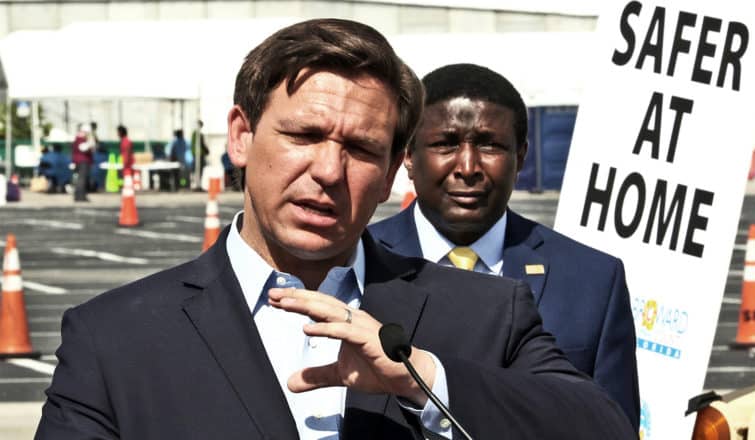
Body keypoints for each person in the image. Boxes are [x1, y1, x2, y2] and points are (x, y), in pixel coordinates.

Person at [36, 20, 635, 439]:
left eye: (361, 148)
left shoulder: (487, 312)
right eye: (304, 136)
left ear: (393, 170)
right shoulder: (113, 339)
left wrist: (425, 380)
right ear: (242, 136)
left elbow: (603, 426)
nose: (327, 170)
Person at [368, 63, 640, 429]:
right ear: (408, 157)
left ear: (521, 157)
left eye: (490, 145)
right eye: (445, 144)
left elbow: (613, 427)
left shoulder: (593, 280)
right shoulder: (354, 263)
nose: (468, 166)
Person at [70, 123, 94, 202]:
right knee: (82, 179)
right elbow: (83, 148)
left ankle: (80, 195)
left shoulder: (78, 138)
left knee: (81, 179)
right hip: (82, 161)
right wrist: (90, 143)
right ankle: (80, 196)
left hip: (80, 161)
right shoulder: (81, 138)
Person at [191, 119, 209, 188]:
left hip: (196, 154)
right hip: (199, 154)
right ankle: (197, 184)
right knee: (199, 169)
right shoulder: (198, 134)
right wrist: (207, 151)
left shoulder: (195, 133)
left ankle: (197, 184)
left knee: (196, 169)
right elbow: (202, 144)